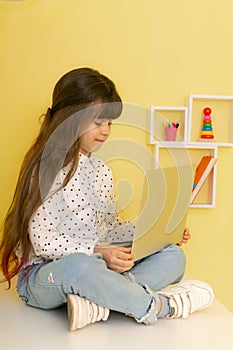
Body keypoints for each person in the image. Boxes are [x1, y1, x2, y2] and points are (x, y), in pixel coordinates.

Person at [0, 67, 214, 331]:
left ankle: (95, 302)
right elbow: (44, 241)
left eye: (109, 123)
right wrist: (99, 252)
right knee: (79, 267)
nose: (106, 130)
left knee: (173, 256)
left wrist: (157, 231)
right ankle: (159, 306)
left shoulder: (101, 171)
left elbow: (108, 228)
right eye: (98, 122)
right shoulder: (46, 167)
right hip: (45, 277)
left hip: (95, 266)